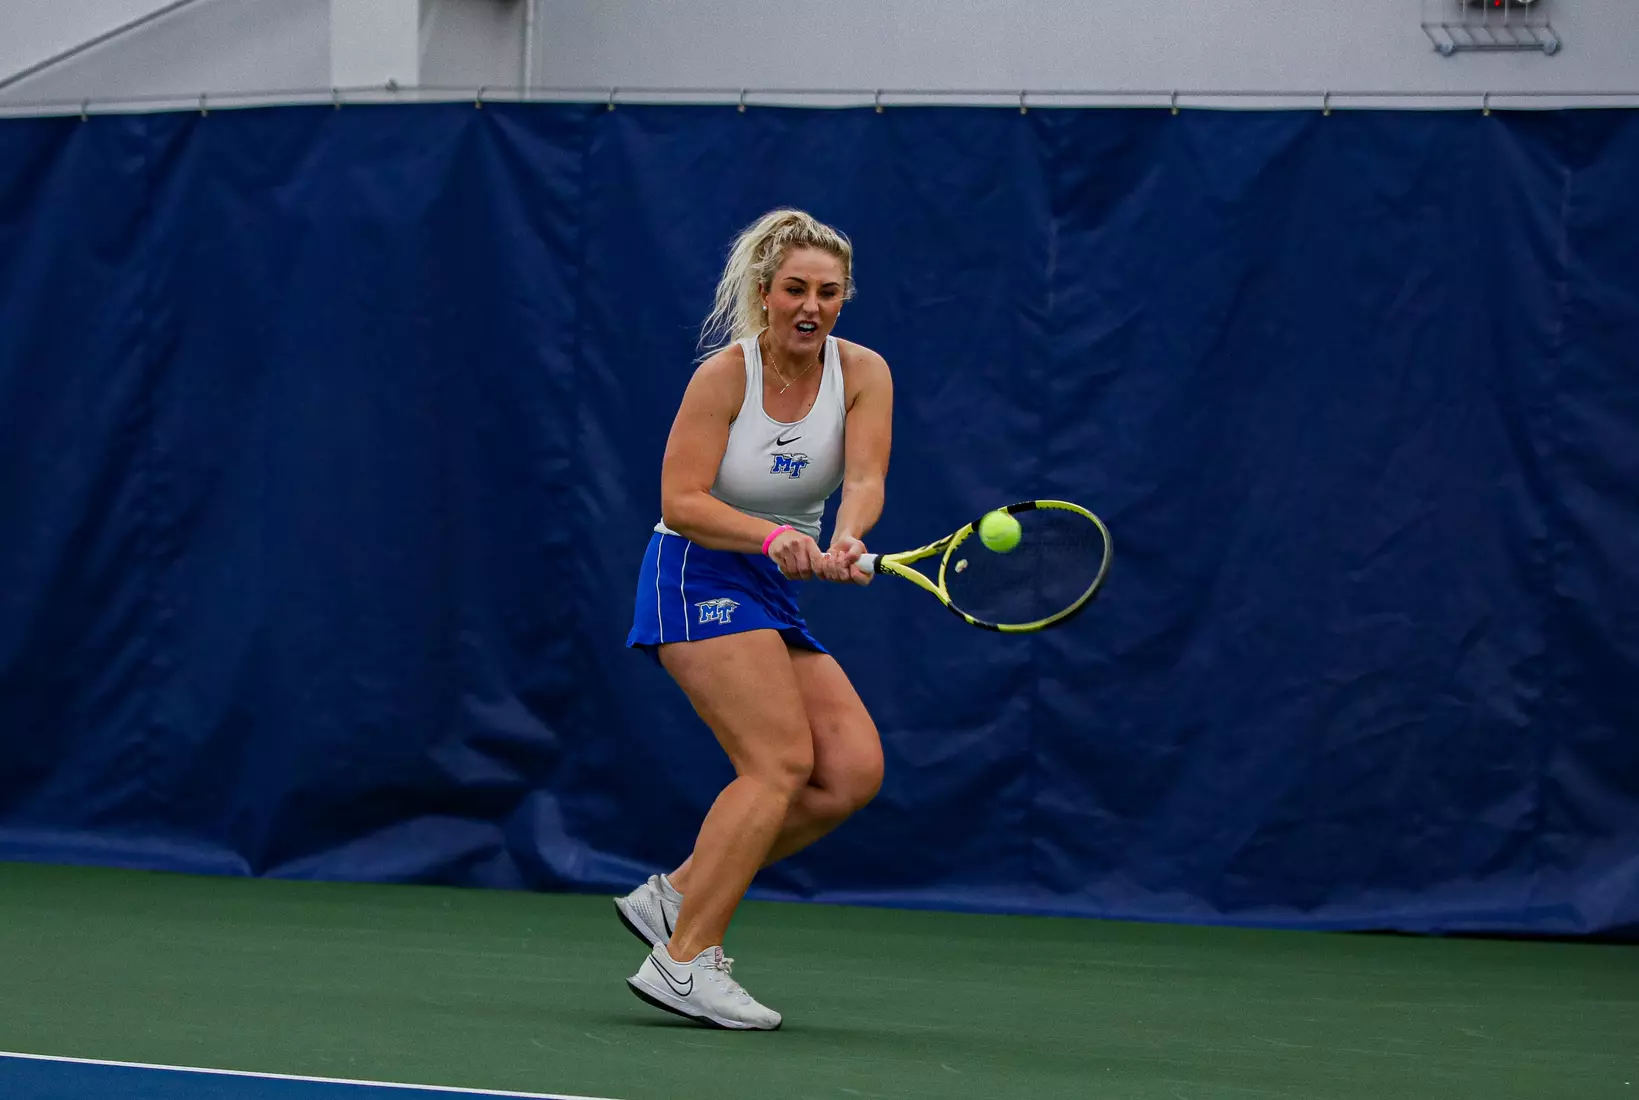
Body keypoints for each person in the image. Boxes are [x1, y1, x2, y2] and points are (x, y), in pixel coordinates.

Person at [617, 209, 894, 1030]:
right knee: (776, 762)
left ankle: (677, 894)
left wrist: (846, 536)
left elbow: (866, 477)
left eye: (828, 292)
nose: (812, 306)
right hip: (694, 568)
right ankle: (684, 959)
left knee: (848, 773)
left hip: (771, 587)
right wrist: (774, 535)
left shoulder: (865, 371)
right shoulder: (722, 377)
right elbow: (680, 500)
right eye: (795, 290)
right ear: (765, 294)